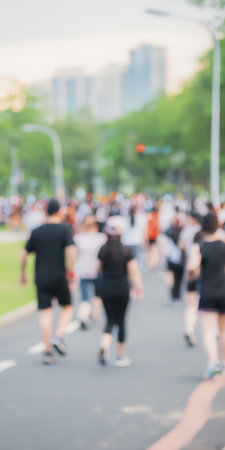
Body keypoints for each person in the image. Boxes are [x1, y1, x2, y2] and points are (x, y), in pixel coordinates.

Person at [20, 198, 76, 364]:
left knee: (45, 312)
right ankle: (58, 335)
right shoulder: (65, 229)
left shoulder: (37, 231)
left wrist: (22, 273)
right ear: (59, 211)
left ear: (46, 212)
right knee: (67, 307)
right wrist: (71, 271)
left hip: (41, 277)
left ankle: (47, 351)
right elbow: (71, 251)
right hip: (59, 275)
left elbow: (24, 253)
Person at [97, 215, 143, 367]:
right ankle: (120, 355)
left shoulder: (103, 249)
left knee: (109, 319)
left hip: (106, 287)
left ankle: (105, 345)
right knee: (121, 320)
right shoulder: (126, 250)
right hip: (122, 288)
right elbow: (133, 271)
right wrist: (138, 288)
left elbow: (97, 270)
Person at [188, 213, 225, 378]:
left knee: (209, 332)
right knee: (223, 331)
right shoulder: (223, 245)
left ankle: (213, 363)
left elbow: (192, 269)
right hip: (224, 291)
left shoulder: (199, 246)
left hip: (207, 292)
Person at [74, 215, 107, 329]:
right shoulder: (102, 238)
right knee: (98, 295)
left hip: (83, 270)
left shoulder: (78, 238)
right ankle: (95, 314)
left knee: (85, 297)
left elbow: (74, 255)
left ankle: (84, 316)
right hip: (98, 270)